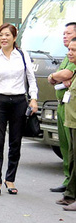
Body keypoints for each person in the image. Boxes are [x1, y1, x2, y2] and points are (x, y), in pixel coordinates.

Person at [0, 23, 38, 196]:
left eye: (7, 35)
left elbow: (31, 78)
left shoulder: (22, 55)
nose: (3, 38)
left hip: (19, 102)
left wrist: (34, 98)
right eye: (0, 35)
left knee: (15, 143)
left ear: (14, 37)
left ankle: (10, 178)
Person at [48, 22, 76, 193]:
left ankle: (71, 185)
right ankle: (68, 180)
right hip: (62, 104)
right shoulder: (68, 56)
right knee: (65, 146)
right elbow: (57, 77)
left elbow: (66, 74)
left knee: (72, 148)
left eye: (68, 33)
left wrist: (54, 76)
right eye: (63, 33)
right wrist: (54, 77)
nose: (64, 36)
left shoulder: (73, 57)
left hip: (71, 107)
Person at [59, 38, 76, 211]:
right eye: (69, 49)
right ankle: (70, 195)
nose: (70, 52)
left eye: (74, 50)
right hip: (71, 121)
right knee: (72, 159)